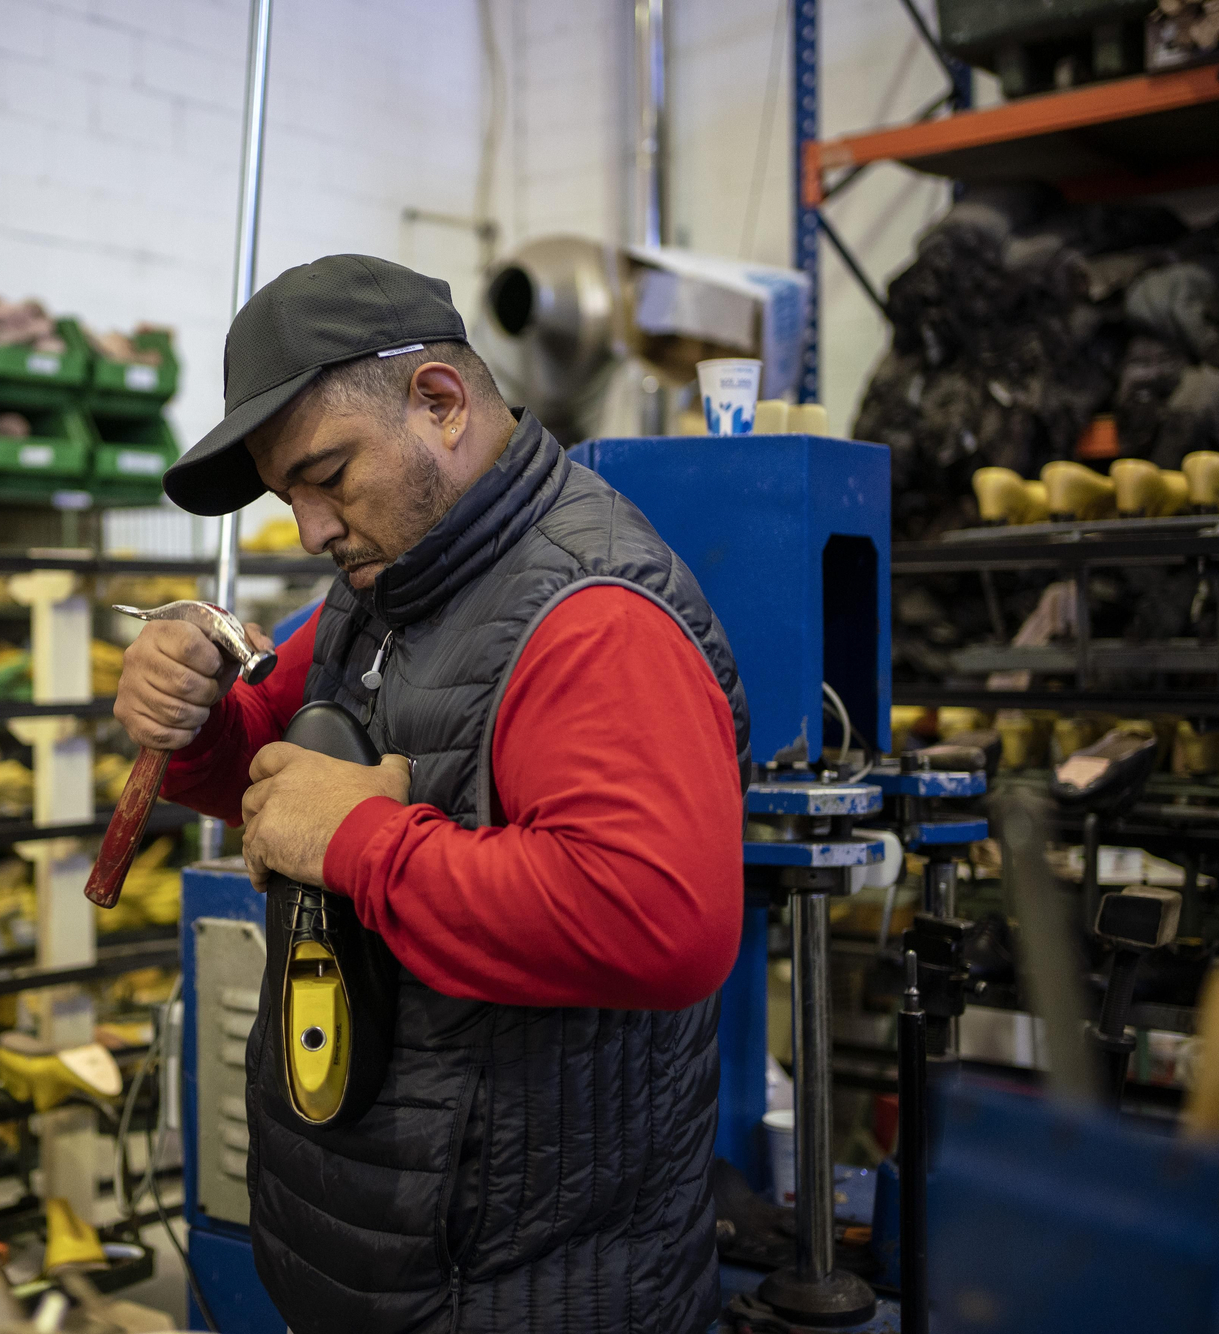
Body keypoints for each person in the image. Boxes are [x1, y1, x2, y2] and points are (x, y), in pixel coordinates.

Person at [116, 254, 749, 1333]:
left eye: (325, 474)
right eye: (286, 495)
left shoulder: (589, 616)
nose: (309, 527)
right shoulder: (393, 586)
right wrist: (183, 716)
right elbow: (255, 772)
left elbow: (660, 925)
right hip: (389, 1260)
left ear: (439, 404)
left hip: (526, 1290)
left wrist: (359, 840)